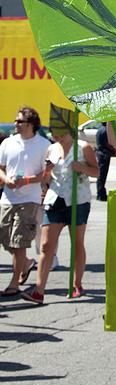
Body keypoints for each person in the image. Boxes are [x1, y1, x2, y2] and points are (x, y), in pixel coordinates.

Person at [22, 126, 99, 305]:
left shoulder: (83, 147)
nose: (56, 136)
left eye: (60, 132)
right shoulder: (52, 148)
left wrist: (82, 168)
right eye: (54, 132)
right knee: (47, 245)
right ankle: (38, 290)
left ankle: (76, 284)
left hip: (78, 200)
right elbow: (47, 178)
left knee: (77, 243)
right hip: (55, 199)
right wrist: (47, 172)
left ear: (69, 130)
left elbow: (97, 171)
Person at [0, 107, 48, 297]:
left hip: (29, 199)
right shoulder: (8, 143)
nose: (15, 124)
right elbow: (1, 168)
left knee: (19, 241)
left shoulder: (43, 145)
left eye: (19, 121)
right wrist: (6, 179)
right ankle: (26, 263)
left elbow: (46, 173)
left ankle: (14, 283)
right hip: (7, 198)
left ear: (30, 124)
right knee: (6, 239)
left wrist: (27, 181)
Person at [95, 122, 115, 201]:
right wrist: (114, 149)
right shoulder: (105, 130)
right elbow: (107, 143)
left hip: (100, 153)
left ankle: (100, 193)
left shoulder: (100, 130)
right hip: (104, 154)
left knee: (101, 175)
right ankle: (101, 194)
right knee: (102, 175)